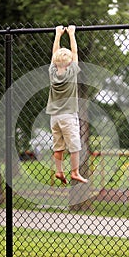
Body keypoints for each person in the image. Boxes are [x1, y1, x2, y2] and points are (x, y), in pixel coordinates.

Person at [46, 25, 88, 184]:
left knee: (58, 147)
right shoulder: (72, 72)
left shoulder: (52, 72)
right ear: (70, 63)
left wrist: (58, 34)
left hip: (54, 118)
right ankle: (75, 172)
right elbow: (75, 52)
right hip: (68, 116)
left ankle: (58, 171)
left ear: (55, 63)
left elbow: (54, 54)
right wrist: (71, 34)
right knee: (75, 146)